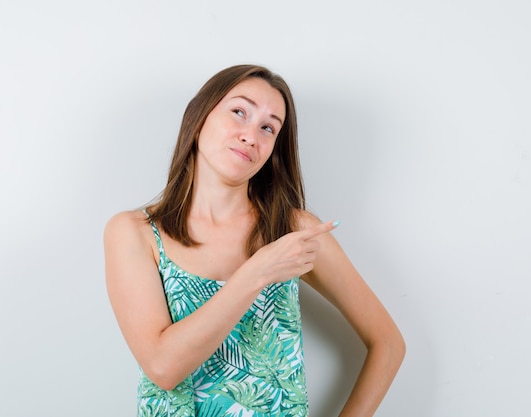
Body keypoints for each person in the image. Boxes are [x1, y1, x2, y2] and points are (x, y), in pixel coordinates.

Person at [104, 64, 405, 417]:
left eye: (268, 127)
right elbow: (164, 368)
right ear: (199, 117)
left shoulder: (294, 231)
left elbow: (388, 343)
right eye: (239, 112)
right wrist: (257, 272)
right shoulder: (134, 232)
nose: (251, 135)